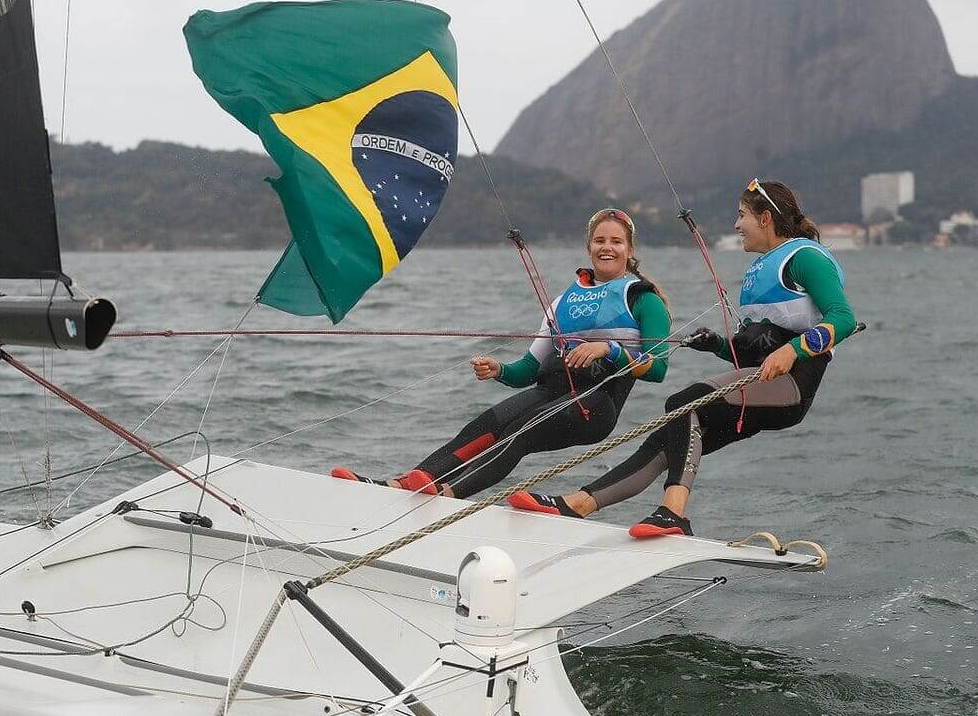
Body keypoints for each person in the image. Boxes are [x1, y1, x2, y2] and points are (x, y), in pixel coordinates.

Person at [509, 179, 856, 538]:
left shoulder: (805, 258)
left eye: (741, 216)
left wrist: (792, 350)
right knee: (667, 439)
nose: (736, 226)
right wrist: (718, 345)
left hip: (793, 384)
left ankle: (673, 513)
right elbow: (753, 348)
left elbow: (842, 317)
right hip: (761, 381)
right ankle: (576, 504)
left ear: (765, 218)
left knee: (683, 402)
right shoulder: (762, 269)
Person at [332, 208, 672, 499]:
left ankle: (446, 495)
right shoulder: (563, 302)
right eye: (600, 241)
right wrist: (499, 370)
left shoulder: (644, 300)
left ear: (629, 249)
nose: (607, 248)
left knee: (520, 430)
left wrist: (609, 350)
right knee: (486, 424)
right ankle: (404, 484)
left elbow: (658, 369)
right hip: (549, 391)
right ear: (589, 247)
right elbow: (528, 367)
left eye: (616, 242)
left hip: (596, 406)